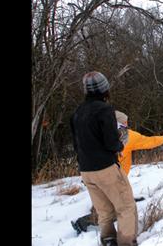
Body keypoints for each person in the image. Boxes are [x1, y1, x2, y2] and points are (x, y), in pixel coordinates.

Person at [72, 109, 163, 235]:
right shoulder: (129, 137)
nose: (127, 124)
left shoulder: (97, 135)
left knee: (106, 201)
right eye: (125, 122)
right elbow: (148, 142)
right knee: (116, 210)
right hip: (113, 177)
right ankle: (82, 223)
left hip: (93, 175)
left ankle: (98, 209)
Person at [70, 71, 138, 246]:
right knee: (126, 207)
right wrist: (120, 144)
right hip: (106, 168)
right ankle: (126, 243)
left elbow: (76, 145)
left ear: (86, 91)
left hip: (86, 170)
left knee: (104, 210)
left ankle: (108, 240)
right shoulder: (105, 110)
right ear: (105, 89)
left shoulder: (77, 112)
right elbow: (111, 142)